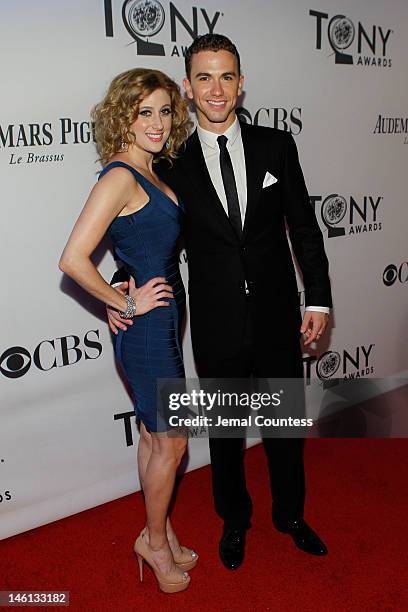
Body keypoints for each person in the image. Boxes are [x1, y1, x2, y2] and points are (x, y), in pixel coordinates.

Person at [108, 34, 332, 570]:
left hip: (279, 311)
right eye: (204, 77)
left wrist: (318, 301)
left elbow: (303, 228)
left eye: (226, 76)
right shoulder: (173, 161)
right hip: (214, 316)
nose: (216, 88)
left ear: (241, 83)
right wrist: (123, 281)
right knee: (227, 430)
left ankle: (291, 515)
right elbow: (148, 231)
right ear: (187, 87)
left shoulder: (276, 145)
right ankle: (235, 521)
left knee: (283, 424)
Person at [59, 68, 198, 593]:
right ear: (124, 114)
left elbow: (134, 243)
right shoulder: (120, 175)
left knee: (152, 437)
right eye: (146, 112)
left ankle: (156, 530)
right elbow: (73, 259)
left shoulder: (151, 169)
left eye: (165, 111)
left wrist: (125, 290)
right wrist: (124, 301)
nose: (158, 123)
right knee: (173, 442)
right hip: (147, 327)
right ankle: (155, 544)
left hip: (161, 317)